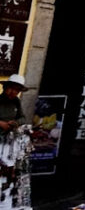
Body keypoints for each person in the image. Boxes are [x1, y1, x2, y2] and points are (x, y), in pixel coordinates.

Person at [0, 75, 29, 207]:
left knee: (9, 170)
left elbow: (23, 118)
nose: (13, 92)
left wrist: (15, 122)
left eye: (16, 90)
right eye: (11, 89)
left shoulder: (16, 102)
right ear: (5, 87)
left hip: (9, 141)